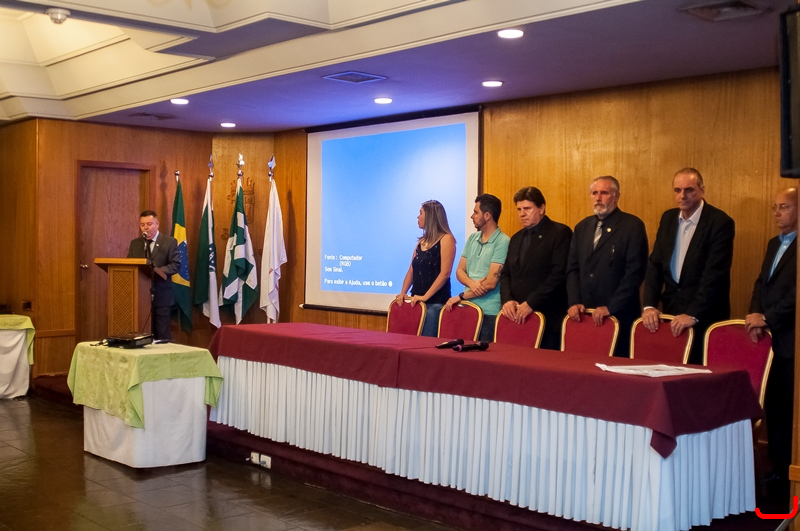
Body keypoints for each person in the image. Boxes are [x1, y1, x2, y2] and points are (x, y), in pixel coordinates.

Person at [642, 168, 735, 364]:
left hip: (704, 317)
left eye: (689, 190)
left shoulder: (720, 222)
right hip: (671, 313)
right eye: (677, 190)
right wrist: (649, 305)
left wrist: (693, 313)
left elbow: (715, 275)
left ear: (702, 190)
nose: (682, 196)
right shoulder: (668, 218)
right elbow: (655, 264)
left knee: (698, 374)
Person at [745, 188, 797, 489]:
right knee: (774, 408)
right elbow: (760, 283)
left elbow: (796, 294)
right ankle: (778, 467)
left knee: (791, 409)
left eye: (784, 207)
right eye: (775, 207)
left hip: (792, 340)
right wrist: (755, 313)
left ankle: (792, 469)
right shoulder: (774, 243)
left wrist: (768, 317)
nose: (777, 213)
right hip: (770, 342)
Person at [566, 176, 648, 357]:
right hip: (585, 314)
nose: (598, 198)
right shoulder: (582, 227)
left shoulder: (632, 226)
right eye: (594, 193)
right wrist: (574, 301)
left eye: (604, 193)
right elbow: (572, 268)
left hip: (618, 315)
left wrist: (611, 307)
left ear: (616, 196)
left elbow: (635, 273)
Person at [500, 186, 572, 350]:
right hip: (517, 317)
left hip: (548, 317)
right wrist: (507, 300)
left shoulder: (559, 233)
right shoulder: (516, 238)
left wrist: (531, 302)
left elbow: (558, 274)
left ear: (541, 208)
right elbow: (506, 274)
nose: (522, 214)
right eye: (519, 209)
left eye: (527, 208)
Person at [443, 194, 510, 342]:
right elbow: (459, 271)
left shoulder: (503, 242)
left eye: (475, 212)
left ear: (487, 215)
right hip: (467, 309)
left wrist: (461, 296)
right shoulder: (472, 238)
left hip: (488, 313)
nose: (472, 216)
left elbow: (491, 283)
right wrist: (472, 283)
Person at [395, 200, 456, 337]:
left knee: (426, 340)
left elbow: (445, 273)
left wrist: (425, 297)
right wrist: (403, 293)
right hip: (416, 302)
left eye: (421, 213)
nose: (418, 217)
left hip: (435, 304)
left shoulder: (447, 239)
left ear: (430, 216)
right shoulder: (421, 242)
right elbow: (411, 271)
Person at [127, 210, 180, 341]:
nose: (146, 227)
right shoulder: (135, 243)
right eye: (142, 225)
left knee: (162, 335)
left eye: (149, 224)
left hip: (161, 295)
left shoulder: (169, 242)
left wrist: (158, 271)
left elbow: (175, 265)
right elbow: (129, 265)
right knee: (141, 334)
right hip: (140, 298)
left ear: (157, 224)